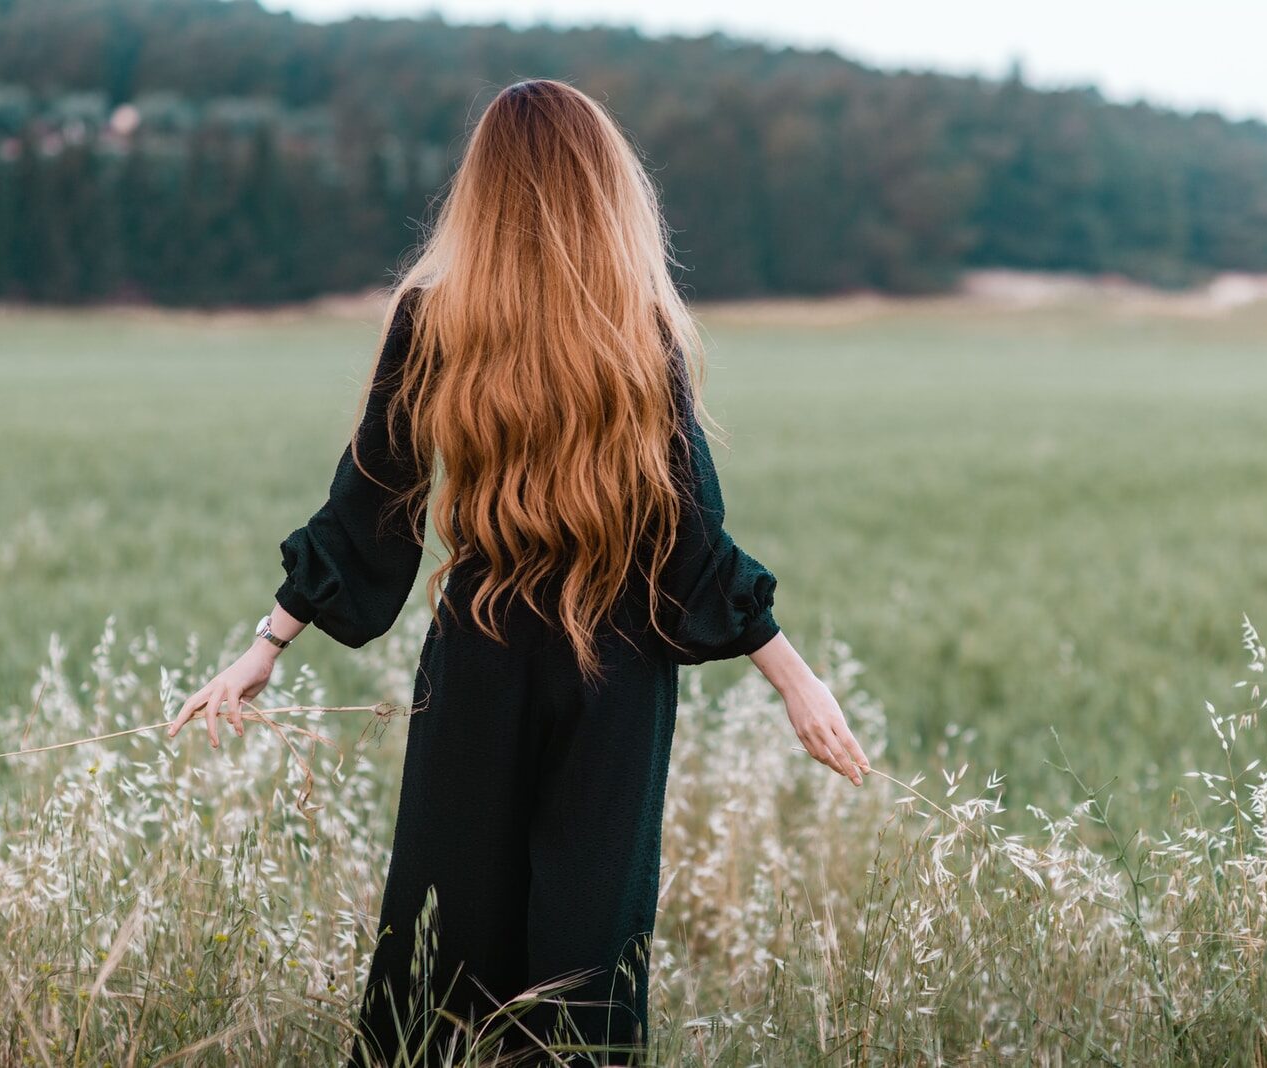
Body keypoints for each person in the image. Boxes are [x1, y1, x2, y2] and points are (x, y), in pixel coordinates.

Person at [168, 77, 870, 1067]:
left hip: (479, 654)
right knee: (586, 963)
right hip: (616, 668)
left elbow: (369, 505)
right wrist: (795, 680)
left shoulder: (434, 315)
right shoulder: (637, 328)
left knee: (444, 956)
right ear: (603, 187)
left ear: (481, 189)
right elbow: (688, 539)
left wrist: (263, 648)